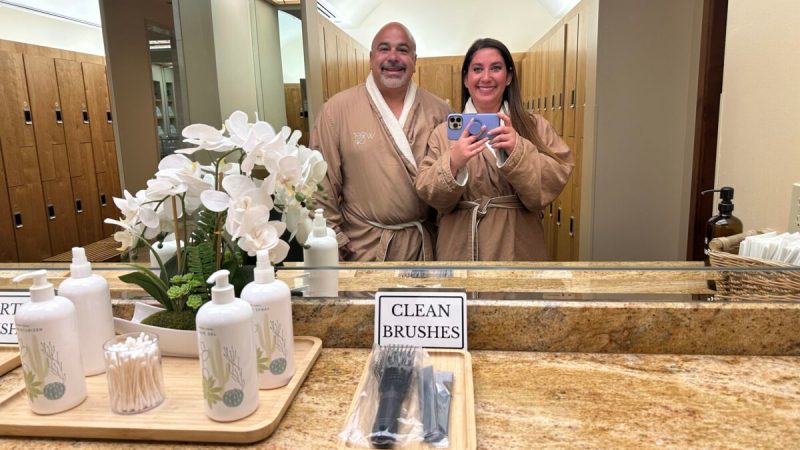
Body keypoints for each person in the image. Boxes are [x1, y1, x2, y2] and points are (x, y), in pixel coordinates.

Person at [415, 38, 574, 261]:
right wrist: (453, 162)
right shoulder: (443, 133)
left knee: (513, 295)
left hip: (517, 245)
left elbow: (554, 179)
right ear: (466, 79)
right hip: (460, 245)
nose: (486, 77)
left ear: (508, 77)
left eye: (496, 68)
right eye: (477, 69)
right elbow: (428, 192)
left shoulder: (533, 126)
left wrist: (517, 150)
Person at [310, 22, 449, 261]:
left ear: (415, 61)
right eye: (384, 49)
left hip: (424, 248)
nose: (393, 57)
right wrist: (334, 234)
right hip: (365, 246)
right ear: (371, 58)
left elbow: (450, 184)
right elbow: (319, 181)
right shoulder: (337, 110)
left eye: (403, 50)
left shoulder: (439, 111)